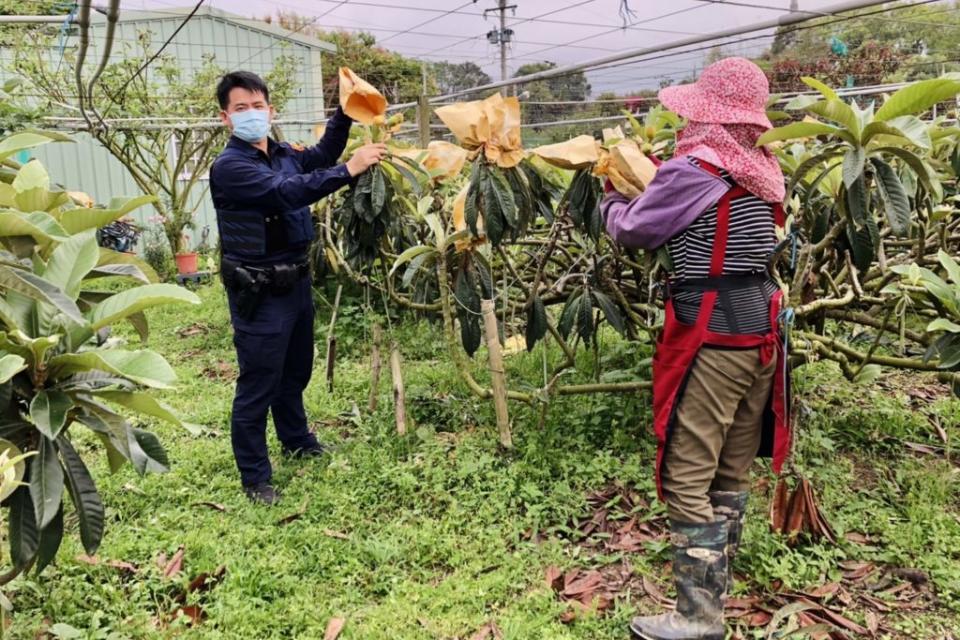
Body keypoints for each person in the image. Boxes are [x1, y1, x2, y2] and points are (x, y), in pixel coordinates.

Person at [602, 57, 791, 640]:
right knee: (731, 464)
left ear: (706, 114)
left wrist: (609, 199)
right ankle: (716, 586)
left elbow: (635, 230)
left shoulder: (694, 168)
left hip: (713, 337)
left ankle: (697, 617)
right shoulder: (761, 169)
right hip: (761, 336)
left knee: (686, 468)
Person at [210, 71, 386, 504]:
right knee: (259, 383)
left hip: (295, 282)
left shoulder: (284, 152)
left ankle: (297, 440)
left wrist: (344, 112)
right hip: (259, 291)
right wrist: (350, 169)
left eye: (257, 106)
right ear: (225, 118)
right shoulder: (231, 167)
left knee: (295, 371)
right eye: (240, 108)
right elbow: (289, 192)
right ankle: (255, 478)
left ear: (271, 111)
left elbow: (322, 154)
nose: (251, 114)